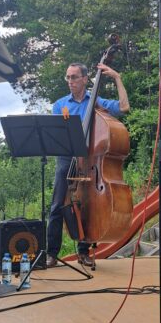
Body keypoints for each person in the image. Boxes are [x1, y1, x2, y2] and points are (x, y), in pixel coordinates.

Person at [46, 62, 130, 268]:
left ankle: (83, 252)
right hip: (67, 159)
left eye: (74, 77)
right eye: (68, 77)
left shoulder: (96, 102)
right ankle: (51, 254)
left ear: (84, 79)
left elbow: (124, 107)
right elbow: (56, 135)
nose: (70, 81)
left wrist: (117, 77)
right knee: (57, 205)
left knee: (89, 205)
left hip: (91, 160)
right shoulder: (60, 105)